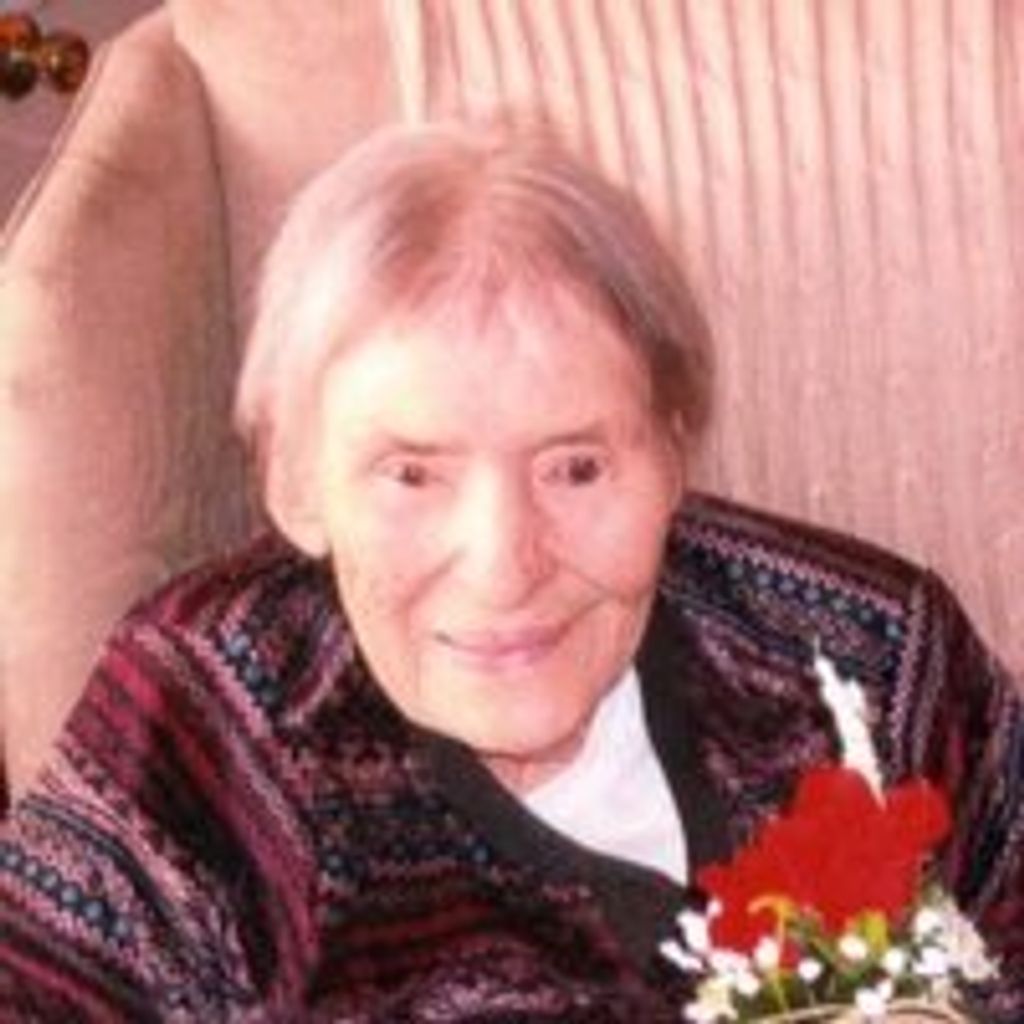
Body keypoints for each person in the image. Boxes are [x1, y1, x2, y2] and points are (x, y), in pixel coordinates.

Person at [0, 120, 1020, 1022]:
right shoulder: (209, 726)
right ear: (293, 483)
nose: (503, 569)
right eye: (412, 474)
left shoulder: (873, 661)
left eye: (575, 467)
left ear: (672, 454)